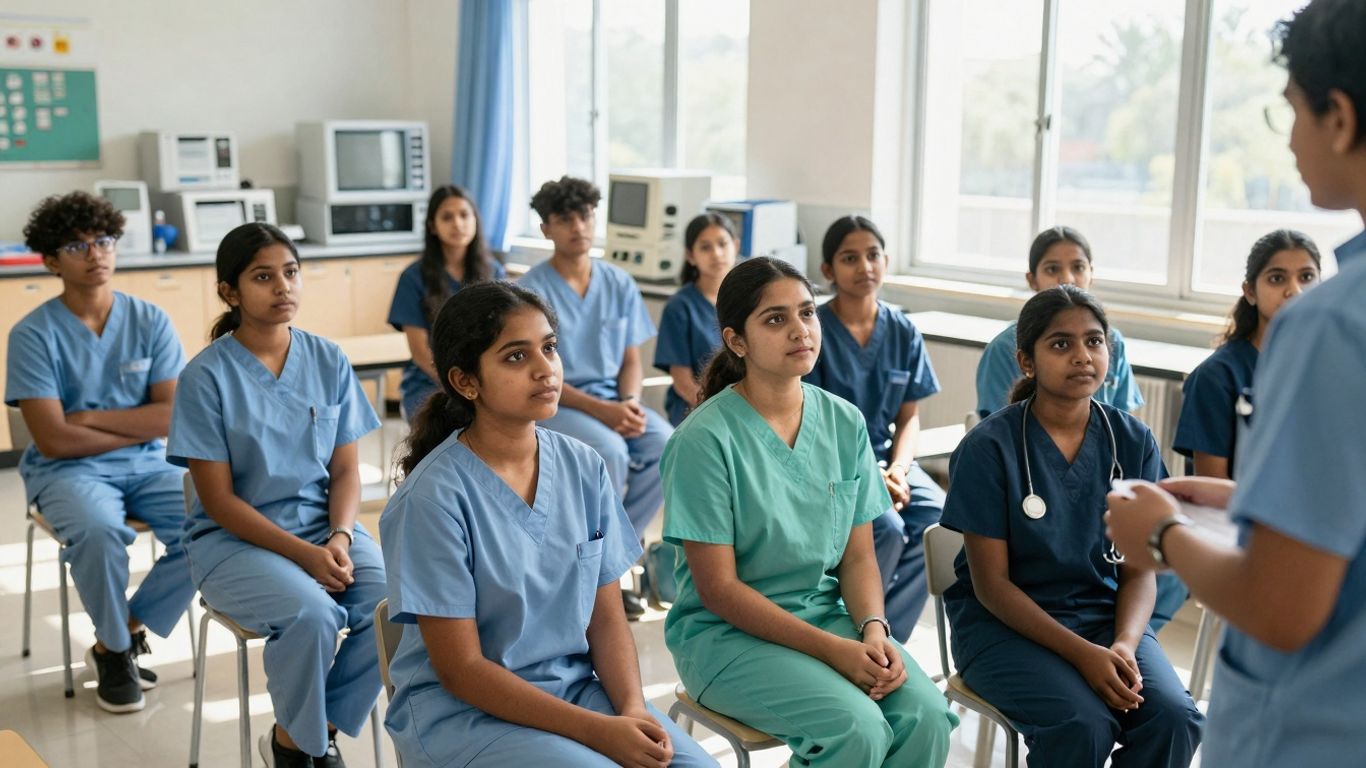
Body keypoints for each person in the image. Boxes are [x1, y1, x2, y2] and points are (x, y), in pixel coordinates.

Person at [1106, 2, 1366, 764]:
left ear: (1340, 117)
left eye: (1290, 111)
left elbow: (1280, 607)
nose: (1289, 138)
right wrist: (1248, 505)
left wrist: (1159, 535)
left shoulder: (1331, 327)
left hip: (1314, 731)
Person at [380, 281, 715, 767]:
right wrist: (600, 732)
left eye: (550, 348)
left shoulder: (584, 466)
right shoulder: (432, 498)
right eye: (516, 357)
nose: (545, 369)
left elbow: (607, 617)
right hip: (465, 714)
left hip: (576, 691)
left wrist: (632, 712)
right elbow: (463, 671)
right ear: (466, 381)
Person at [664, 257, 957, 768]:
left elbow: (860, 558)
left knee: (926, 715)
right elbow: (720, 591)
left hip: (826, 618)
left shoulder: (844, 422)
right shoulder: (704, 440)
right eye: (775, 319)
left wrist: (871, 629)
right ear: (737, 342)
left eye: (806, 313)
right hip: (726, 637)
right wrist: (831, 649)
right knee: (856, 728)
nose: (800, 330)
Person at [944, 285, 1203, 768]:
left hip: (1104, 618)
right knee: (1082, 725)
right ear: (1027, 361)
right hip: (1004, 627)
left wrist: (1123, 645)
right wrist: (1085, 654)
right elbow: (992, 587)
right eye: (1061, 344)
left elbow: (1139, 570)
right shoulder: (989, 448)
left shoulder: (1132, 440)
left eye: (1094, 341)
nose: (1082, 356)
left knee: (1175, 718)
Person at [167, 223, 385, 767]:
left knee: (401, 604)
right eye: (263, 277)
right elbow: (217, 502)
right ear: (230, 292)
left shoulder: (327, 358)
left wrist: (337, 535)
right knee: (311, 615)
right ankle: (306, 751)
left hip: (324, 527)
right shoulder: (206, 377)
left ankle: (301, 738)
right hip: (233, 542)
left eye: (290, 273)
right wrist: (305, 555)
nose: (282, 286)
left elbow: (347, 471)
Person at [6, 191, 193, 713]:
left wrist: (89, 418)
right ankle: (116, 651)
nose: (95, 253)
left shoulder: (149, 320)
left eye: (104, 240)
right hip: (66, 472)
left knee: (210, 522)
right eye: (77, 245)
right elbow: (53, 440)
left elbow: (171, 417)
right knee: (97, 531)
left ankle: (120, 632)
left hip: (146, 464)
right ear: (50, 260)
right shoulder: (33, 335)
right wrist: (130, 427)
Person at [518, 176, 671, 618]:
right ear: (546, 229)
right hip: (555, 401)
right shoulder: (530, 291)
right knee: (609, 452)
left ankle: (604, 564)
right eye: (564, 219)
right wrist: (604, 410)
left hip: (612, 399)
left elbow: (630, 359)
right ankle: (609, 576)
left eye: (584, 216)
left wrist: (628, 401)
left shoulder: (618, 282)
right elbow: (536, 371)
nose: (578, 227)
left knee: (667, 446)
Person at [804, 215, 943, 641]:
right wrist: (875, 476)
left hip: (890, 461)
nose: (864, 266)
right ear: (828, 270)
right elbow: (811, 424)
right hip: (835, 464)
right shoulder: (814, 330)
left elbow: (909, 417)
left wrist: (900, 469)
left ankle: (889, 639)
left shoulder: (903, 331)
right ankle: (853, 629)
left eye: (872, 255)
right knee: (885, 528)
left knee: (939, 519)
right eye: (850, 258)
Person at [1172, 230, 1320, 478]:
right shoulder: (1217, 376)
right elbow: (1211, 490)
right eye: (1277, 279)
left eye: (1306, 277)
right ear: (1250, 292)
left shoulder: (1331, 365)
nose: (1295, 291)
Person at [975, 226, 1143, 419]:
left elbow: (1122, 423)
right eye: (1052, 269)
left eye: (1078, 267)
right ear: (1032, 280)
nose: (1067, 278)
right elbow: (997, 430)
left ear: (1091, 273)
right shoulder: (1003, 348)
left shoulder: (1112, 341)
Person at [387, 185, 507, 420]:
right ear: (432, 226)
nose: (458, 224)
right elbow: (420, 352)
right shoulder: (413, 277)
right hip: (431, 381)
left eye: (464, 215)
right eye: (447, 217)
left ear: (475, 220)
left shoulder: (494, 272)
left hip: (486, 377)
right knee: (456, 426)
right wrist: (461, 387)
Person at [653, 212, 737, 426]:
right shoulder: (680, 307)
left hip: (745, 405)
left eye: (722, 244)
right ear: (690, 256)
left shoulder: (750, 301)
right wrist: (721, 413)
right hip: (697, 406)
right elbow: (683, 382)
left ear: (735, 246)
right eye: (705, 247)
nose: (716, 254)